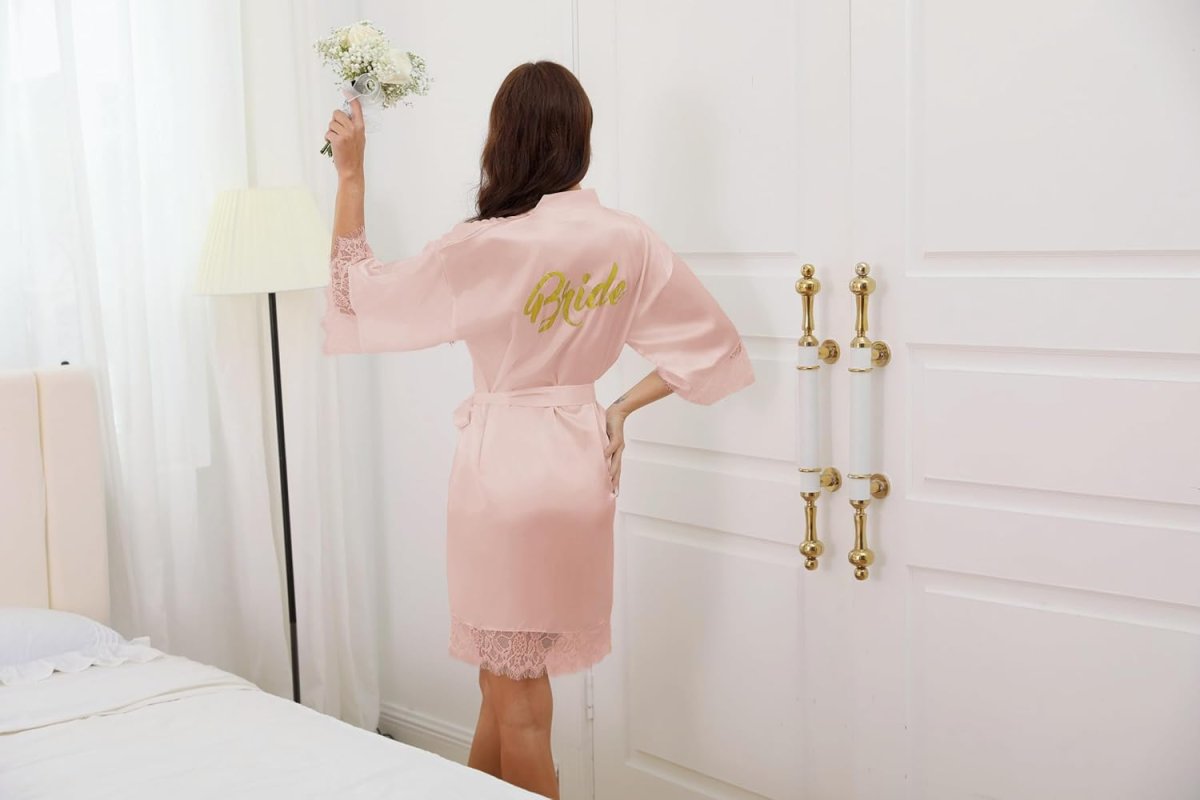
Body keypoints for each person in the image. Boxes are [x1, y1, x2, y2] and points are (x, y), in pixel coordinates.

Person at [322, 60, 754, 800]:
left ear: (506, 140)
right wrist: (617, 408)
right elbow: (712, 346)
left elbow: (358, 296)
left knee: (518, 702)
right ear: (578, 138)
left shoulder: (484, 245)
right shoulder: (628, 239)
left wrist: (352, 175)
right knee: (501, 685)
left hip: (505, 477)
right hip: (578, 471)